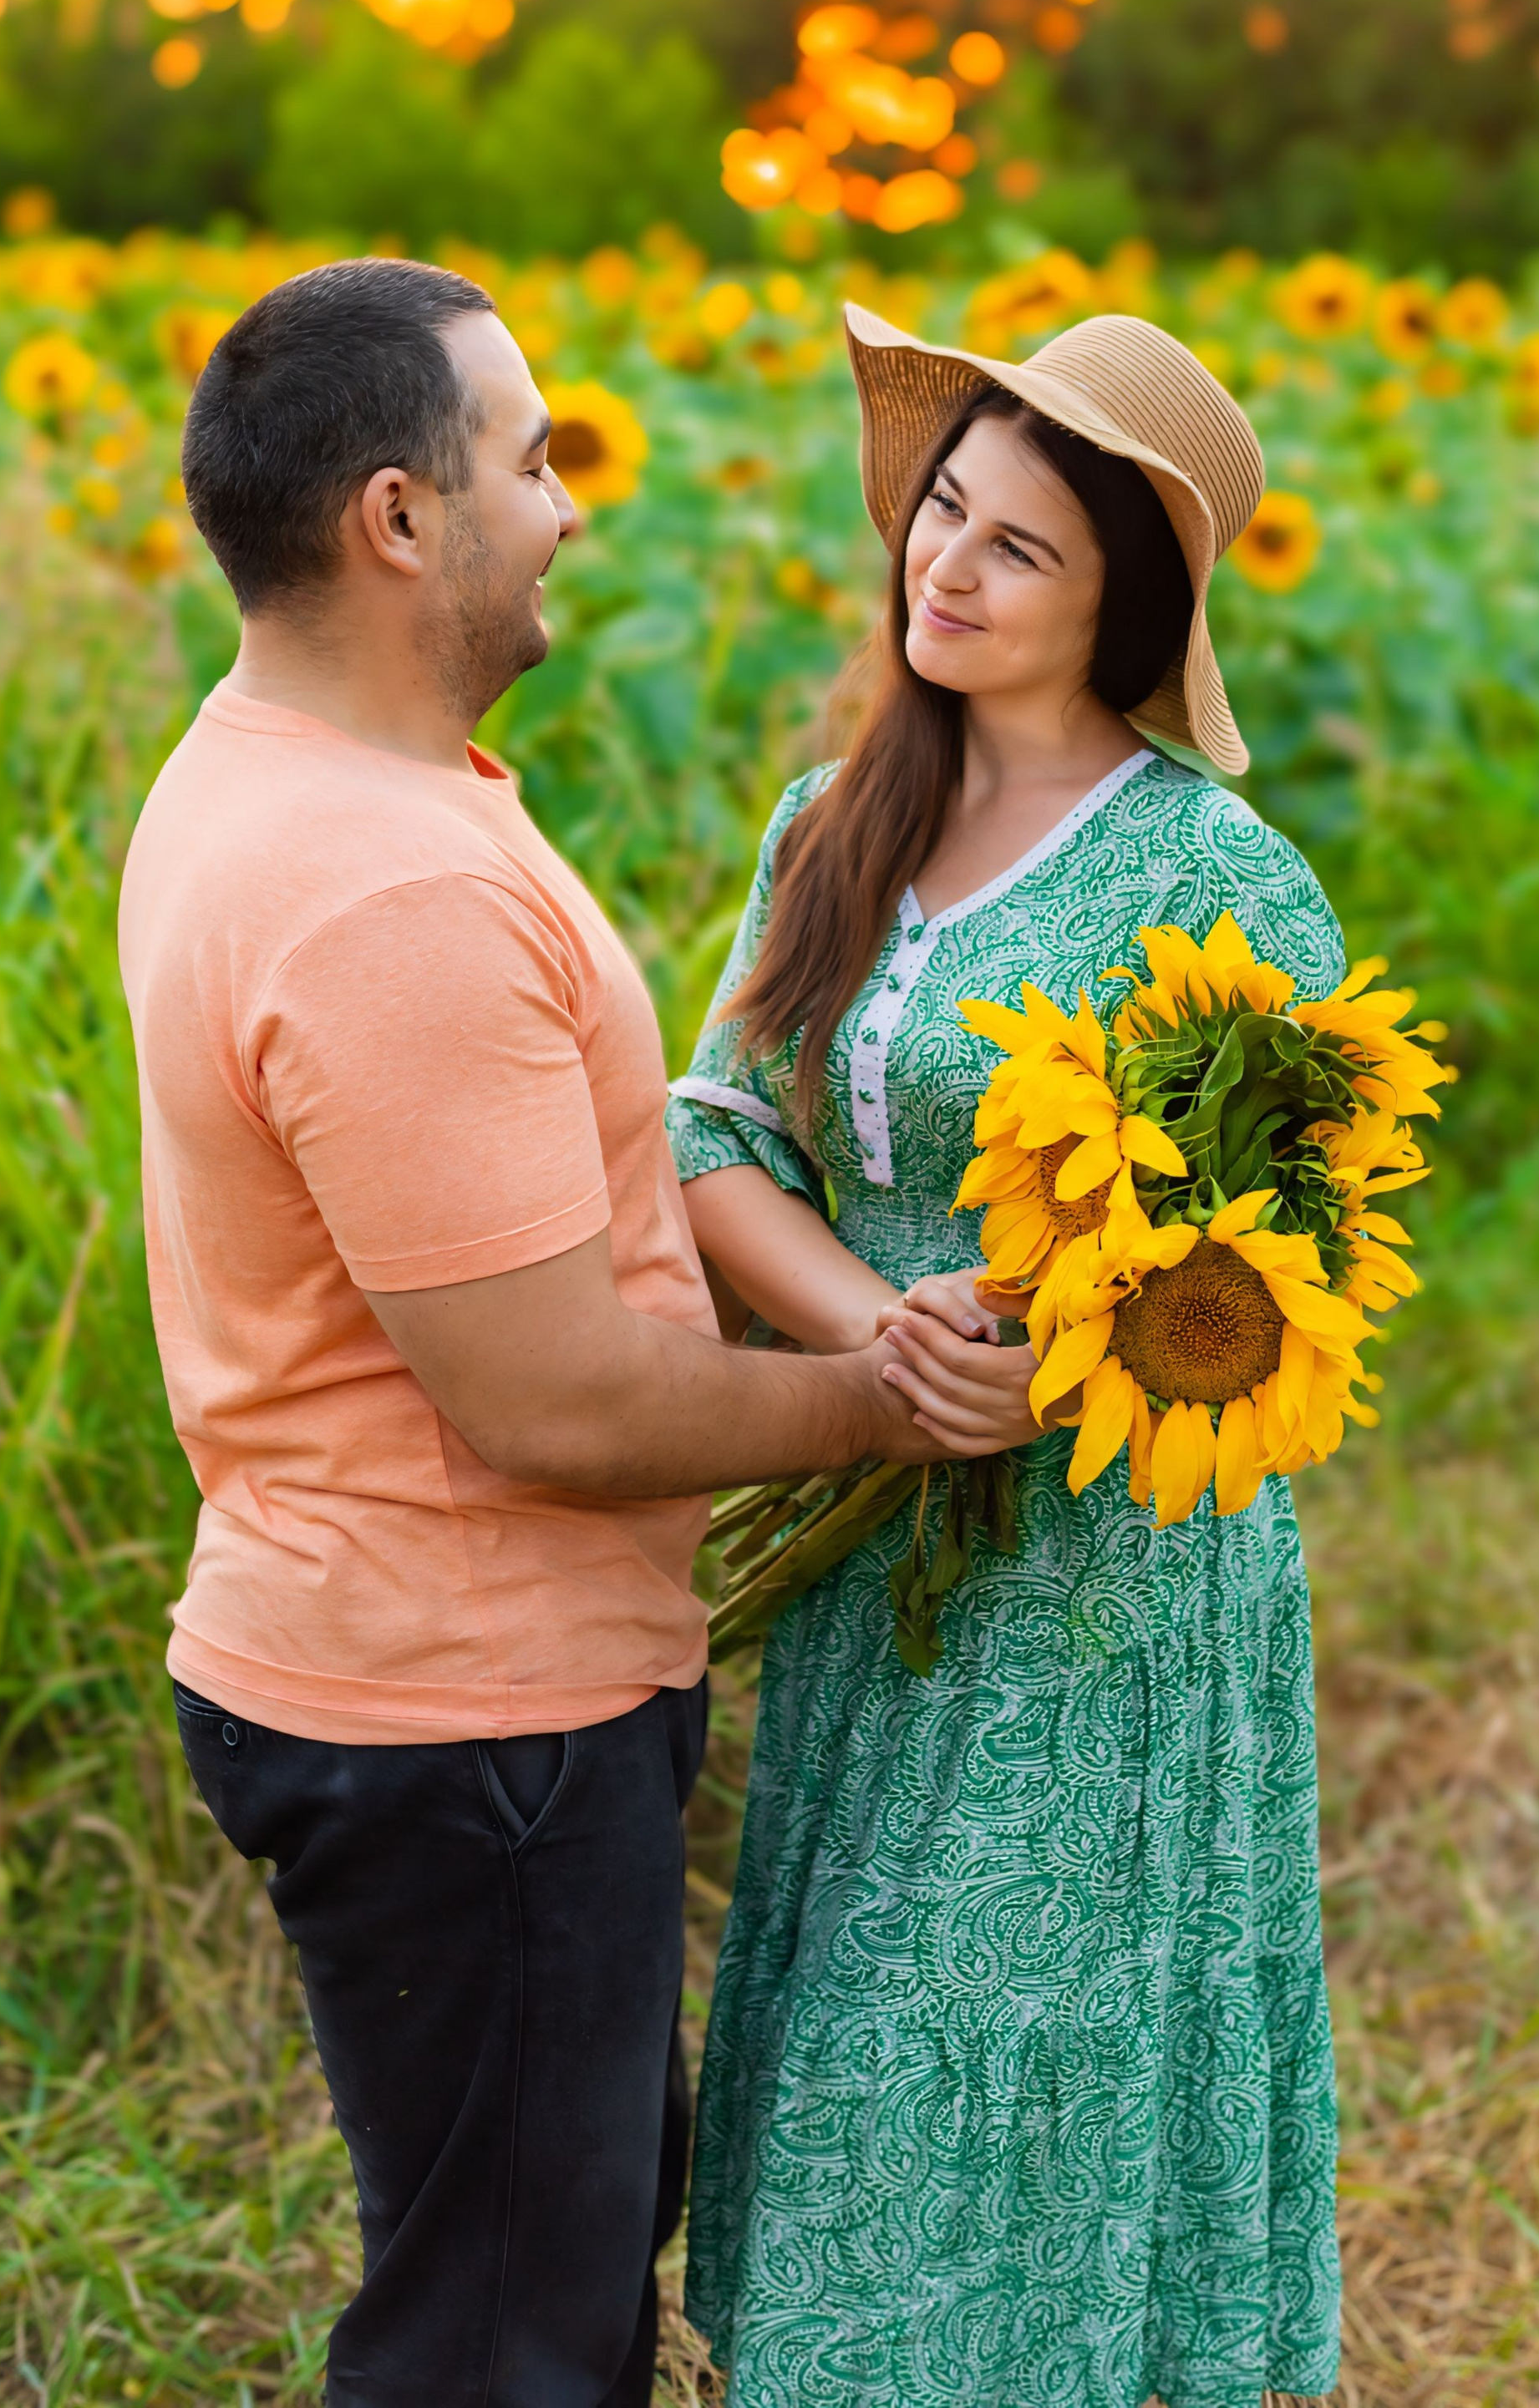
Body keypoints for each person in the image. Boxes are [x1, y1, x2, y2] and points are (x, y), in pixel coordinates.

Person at [115, 260, 975, 2408]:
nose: (568, 498)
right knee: (505, 2338)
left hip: (414, 1678)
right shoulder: (386, 887)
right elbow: (551, 1400)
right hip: (462, 1713)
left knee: (537, 2257)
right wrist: (892, 1401)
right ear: (399, 518)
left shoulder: (271, 773)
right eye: (531, 453)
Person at [668, 302, 1347, 2408]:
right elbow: (714, 1128)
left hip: (1102, 1579)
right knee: (877, 2015)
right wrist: (877, 1332)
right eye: (940, 514)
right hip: (879, 1552)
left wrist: (1045, 1375)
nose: (943, 570)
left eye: (1016, 549)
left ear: (1118, 604)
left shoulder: (1216, 882)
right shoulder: (830, 816)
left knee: (1005, 2040)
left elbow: (1282, 1265)